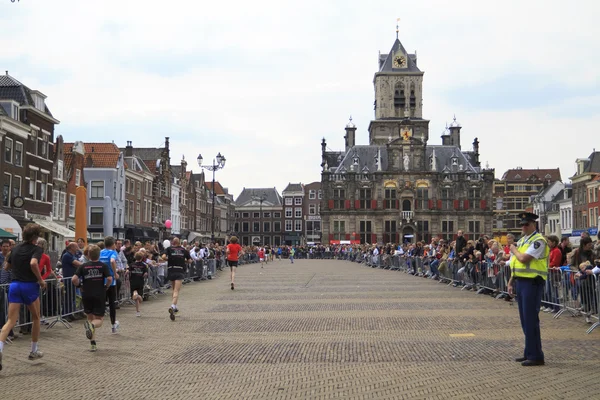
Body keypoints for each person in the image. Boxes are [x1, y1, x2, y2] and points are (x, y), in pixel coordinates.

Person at [0, 224, 46, 371]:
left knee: (11, 321)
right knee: (36, 317)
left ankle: (0, 348)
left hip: (15, 285)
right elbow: (33, 263)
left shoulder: (16, 249)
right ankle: (33, 350)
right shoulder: (37, 249)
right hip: (29, 286)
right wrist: (40, 279)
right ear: (35, 237)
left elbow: (6, 267)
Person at [507, 212, 548, 367]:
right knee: (525, 320)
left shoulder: (538, 241)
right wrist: (511, 281)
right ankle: (529, 352)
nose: (523, 227)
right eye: (522, 224)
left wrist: (514, 250)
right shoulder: (524, 240)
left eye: (526, 224)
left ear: (533, 225)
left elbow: (523, 258)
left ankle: (536, 355)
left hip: (532, 283)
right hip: (522, 282)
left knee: (531, 320)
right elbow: (516, 264)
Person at [72, 245, 112, 352]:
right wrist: (106, 286)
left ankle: (93, 344)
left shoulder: (83, 266)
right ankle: (92, 326)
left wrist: (79, 286)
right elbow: (109, 278)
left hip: (86, 294)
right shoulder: (103, 266)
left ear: (88, 255)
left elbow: (74, 279)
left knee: (90, 318)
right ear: (99, 255)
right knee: (98, 320)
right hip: (99, 294)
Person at [164, 238, 191, 320]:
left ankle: (175, 307)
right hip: (179, 270)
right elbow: (190, 261)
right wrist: (183, 261)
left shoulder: (169, 249)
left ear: (172, 242)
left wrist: (170, 259)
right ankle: (172, 306)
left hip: (171, 270)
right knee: (176, 291)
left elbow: (163, 257)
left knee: (173, 289)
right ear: (179, 242)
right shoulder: (184, 250)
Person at [99, 237, 120, 334]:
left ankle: (95, 322)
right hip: (111, 282)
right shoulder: (113, 252)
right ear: (112, 245)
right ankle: (113, 325)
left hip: (100, 281)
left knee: (101, 303)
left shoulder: (101, 252)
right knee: (112, 304)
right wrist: (115, 273)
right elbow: (112, 261)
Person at [128, 251, 148, 317]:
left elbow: (128, 271)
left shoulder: (131, 264)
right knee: (140, 298)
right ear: (142, 258)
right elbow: (145, 274)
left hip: (133, 281)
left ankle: (138, 311)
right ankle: (138, 296)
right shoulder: (144, 265)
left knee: (134, 297)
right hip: (140, 281)